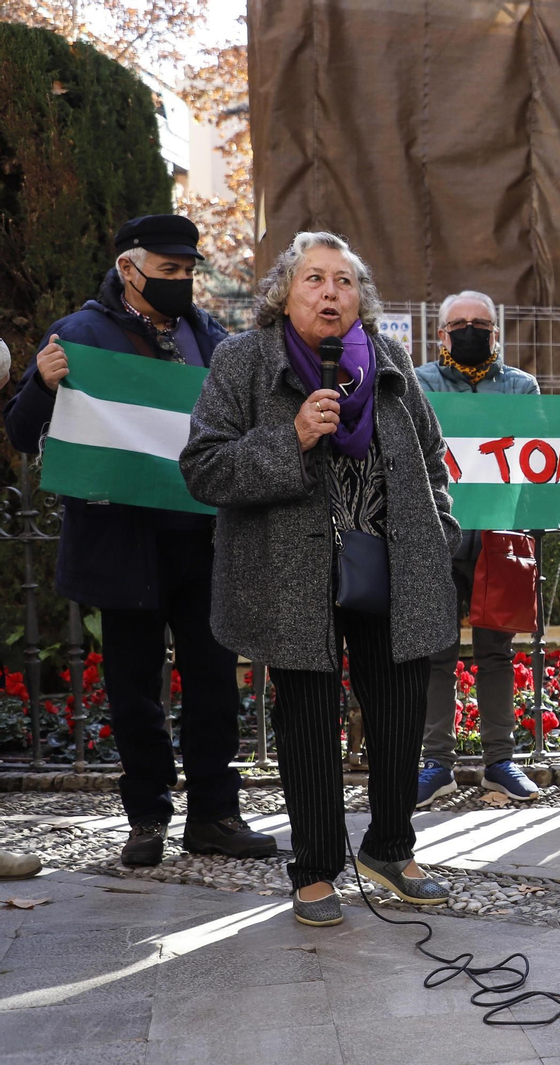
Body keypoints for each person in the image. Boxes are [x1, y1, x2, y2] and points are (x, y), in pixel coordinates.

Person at [181, 231, 460, 927]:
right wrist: (293, 437)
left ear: (360, 296)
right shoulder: (242, 360)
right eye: (315, 279)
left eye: (344, 280)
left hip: (388, 563)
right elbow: (204, 467)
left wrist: (442, 531)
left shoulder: (388, 358)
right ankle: (314, 869)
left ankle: (390, 848)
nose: (331, 292)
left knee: (399, 713)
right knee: (307, 722)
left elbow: (430, 454)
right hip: (291, 576)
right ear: (285, 292)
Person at [2, 214, 275, 869]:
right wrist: (40, 383)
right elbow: (20, 434)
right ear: (130, 268)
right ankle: (147, 816)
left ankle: (215, 813)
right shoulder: (78, 335)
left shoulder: (209, 336)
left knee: (212, 680)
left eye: (188, 271)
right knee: (133, 689)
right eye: (169, 270)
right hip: (121, 543)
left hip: (203, 540)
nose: (182, 281)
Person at [414, 290, 542, 807]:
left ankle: (500, 763)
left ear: (496, 332)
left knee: (497, 654)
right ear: (440, 334)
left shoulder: (521, 386)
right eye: (459, 323)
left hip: (499, 535)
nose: (470, 330)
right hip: (436, 536)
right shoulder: (417, 384)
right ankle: (435, 764)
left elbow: (538, 454)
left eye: (481, 323)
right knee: (434, 655)